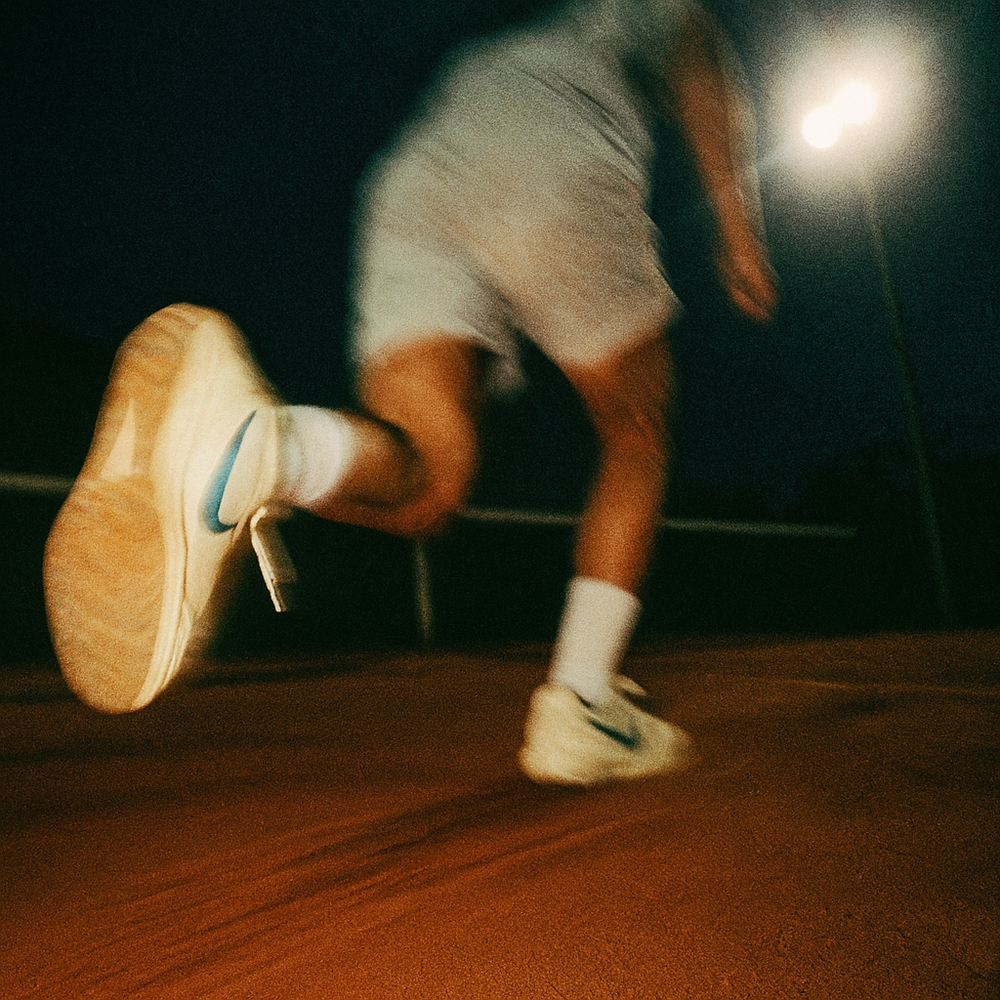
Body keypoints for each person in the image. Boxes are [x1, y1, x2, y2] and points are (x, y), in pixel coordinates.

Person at [44, 0, 776, 785]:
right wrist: (741, 231)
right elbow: (699, 65)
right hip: (548, 134)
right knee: (636, 433)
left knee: (427, 489)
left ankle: (265, 447)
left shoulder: (527, 33)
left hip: (421, 173)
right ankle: (583, 701)